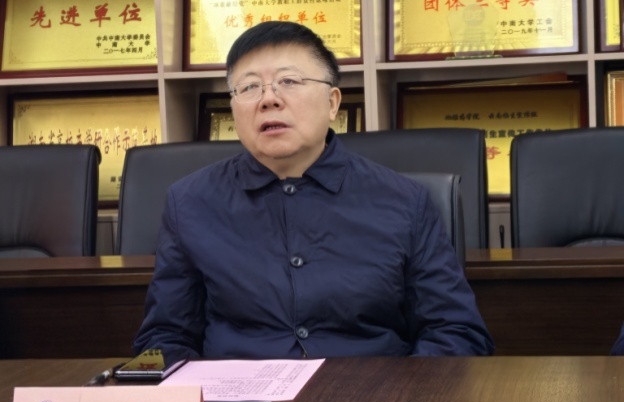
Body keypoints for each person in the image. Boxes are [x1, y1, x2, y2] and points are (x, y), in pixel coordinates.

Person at [132, 21, 494, 360]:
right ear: (233, 108)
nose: (269, 99)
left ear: (333, 102)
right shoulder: (190, 202)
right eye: (249, 87)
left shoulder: (406, 201)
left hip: (371, 398)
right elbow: (166, 336)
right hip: (237, 401)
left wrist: (401, 401)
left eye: (289, 81)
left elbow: (455, 332)